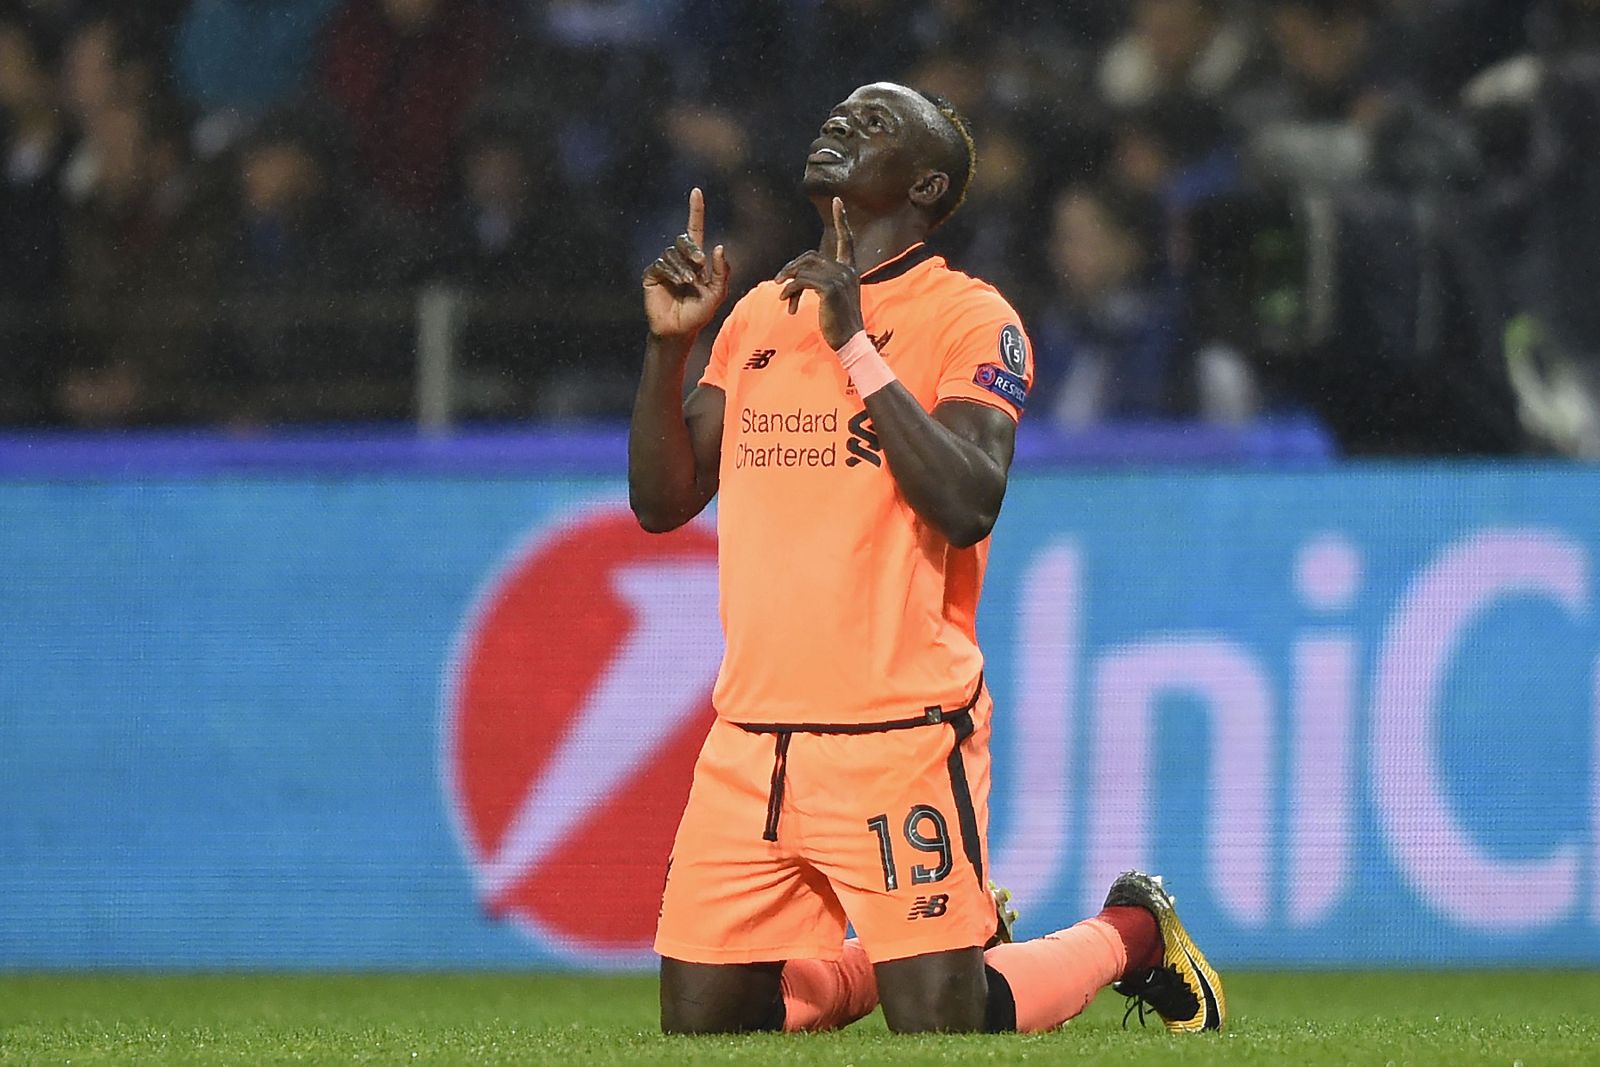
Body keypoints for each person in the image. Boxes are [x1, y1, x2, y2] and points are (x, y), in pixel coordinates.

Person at [628, 81, 1226, 1035]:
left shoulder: (969, 317)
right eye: (837, 112)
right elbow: (661, 502)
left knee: (943, 1028)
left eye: (871, 123)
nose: (836, 123)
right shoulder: (756, 316)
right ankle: (917, 943)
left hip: (897, 732)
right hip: (752, 737)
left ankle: (1131, 932)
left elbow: (967, 500)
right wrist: (670, 348)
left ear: (926, 182)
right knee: (708, 1027)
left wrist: (857, 345)